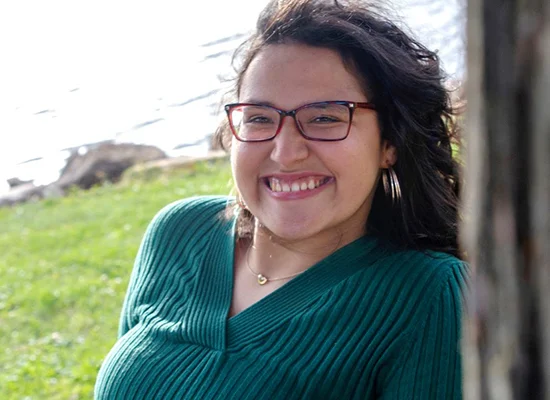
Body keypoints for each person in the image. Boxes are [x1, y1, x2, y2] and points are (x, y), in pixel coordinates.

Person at [95, 0, 469, 398]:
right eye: (259, 117)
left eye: (325, 117)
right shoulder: (180, 232)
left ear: (389, 143)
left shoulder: (430, 295)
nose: (285, 152)